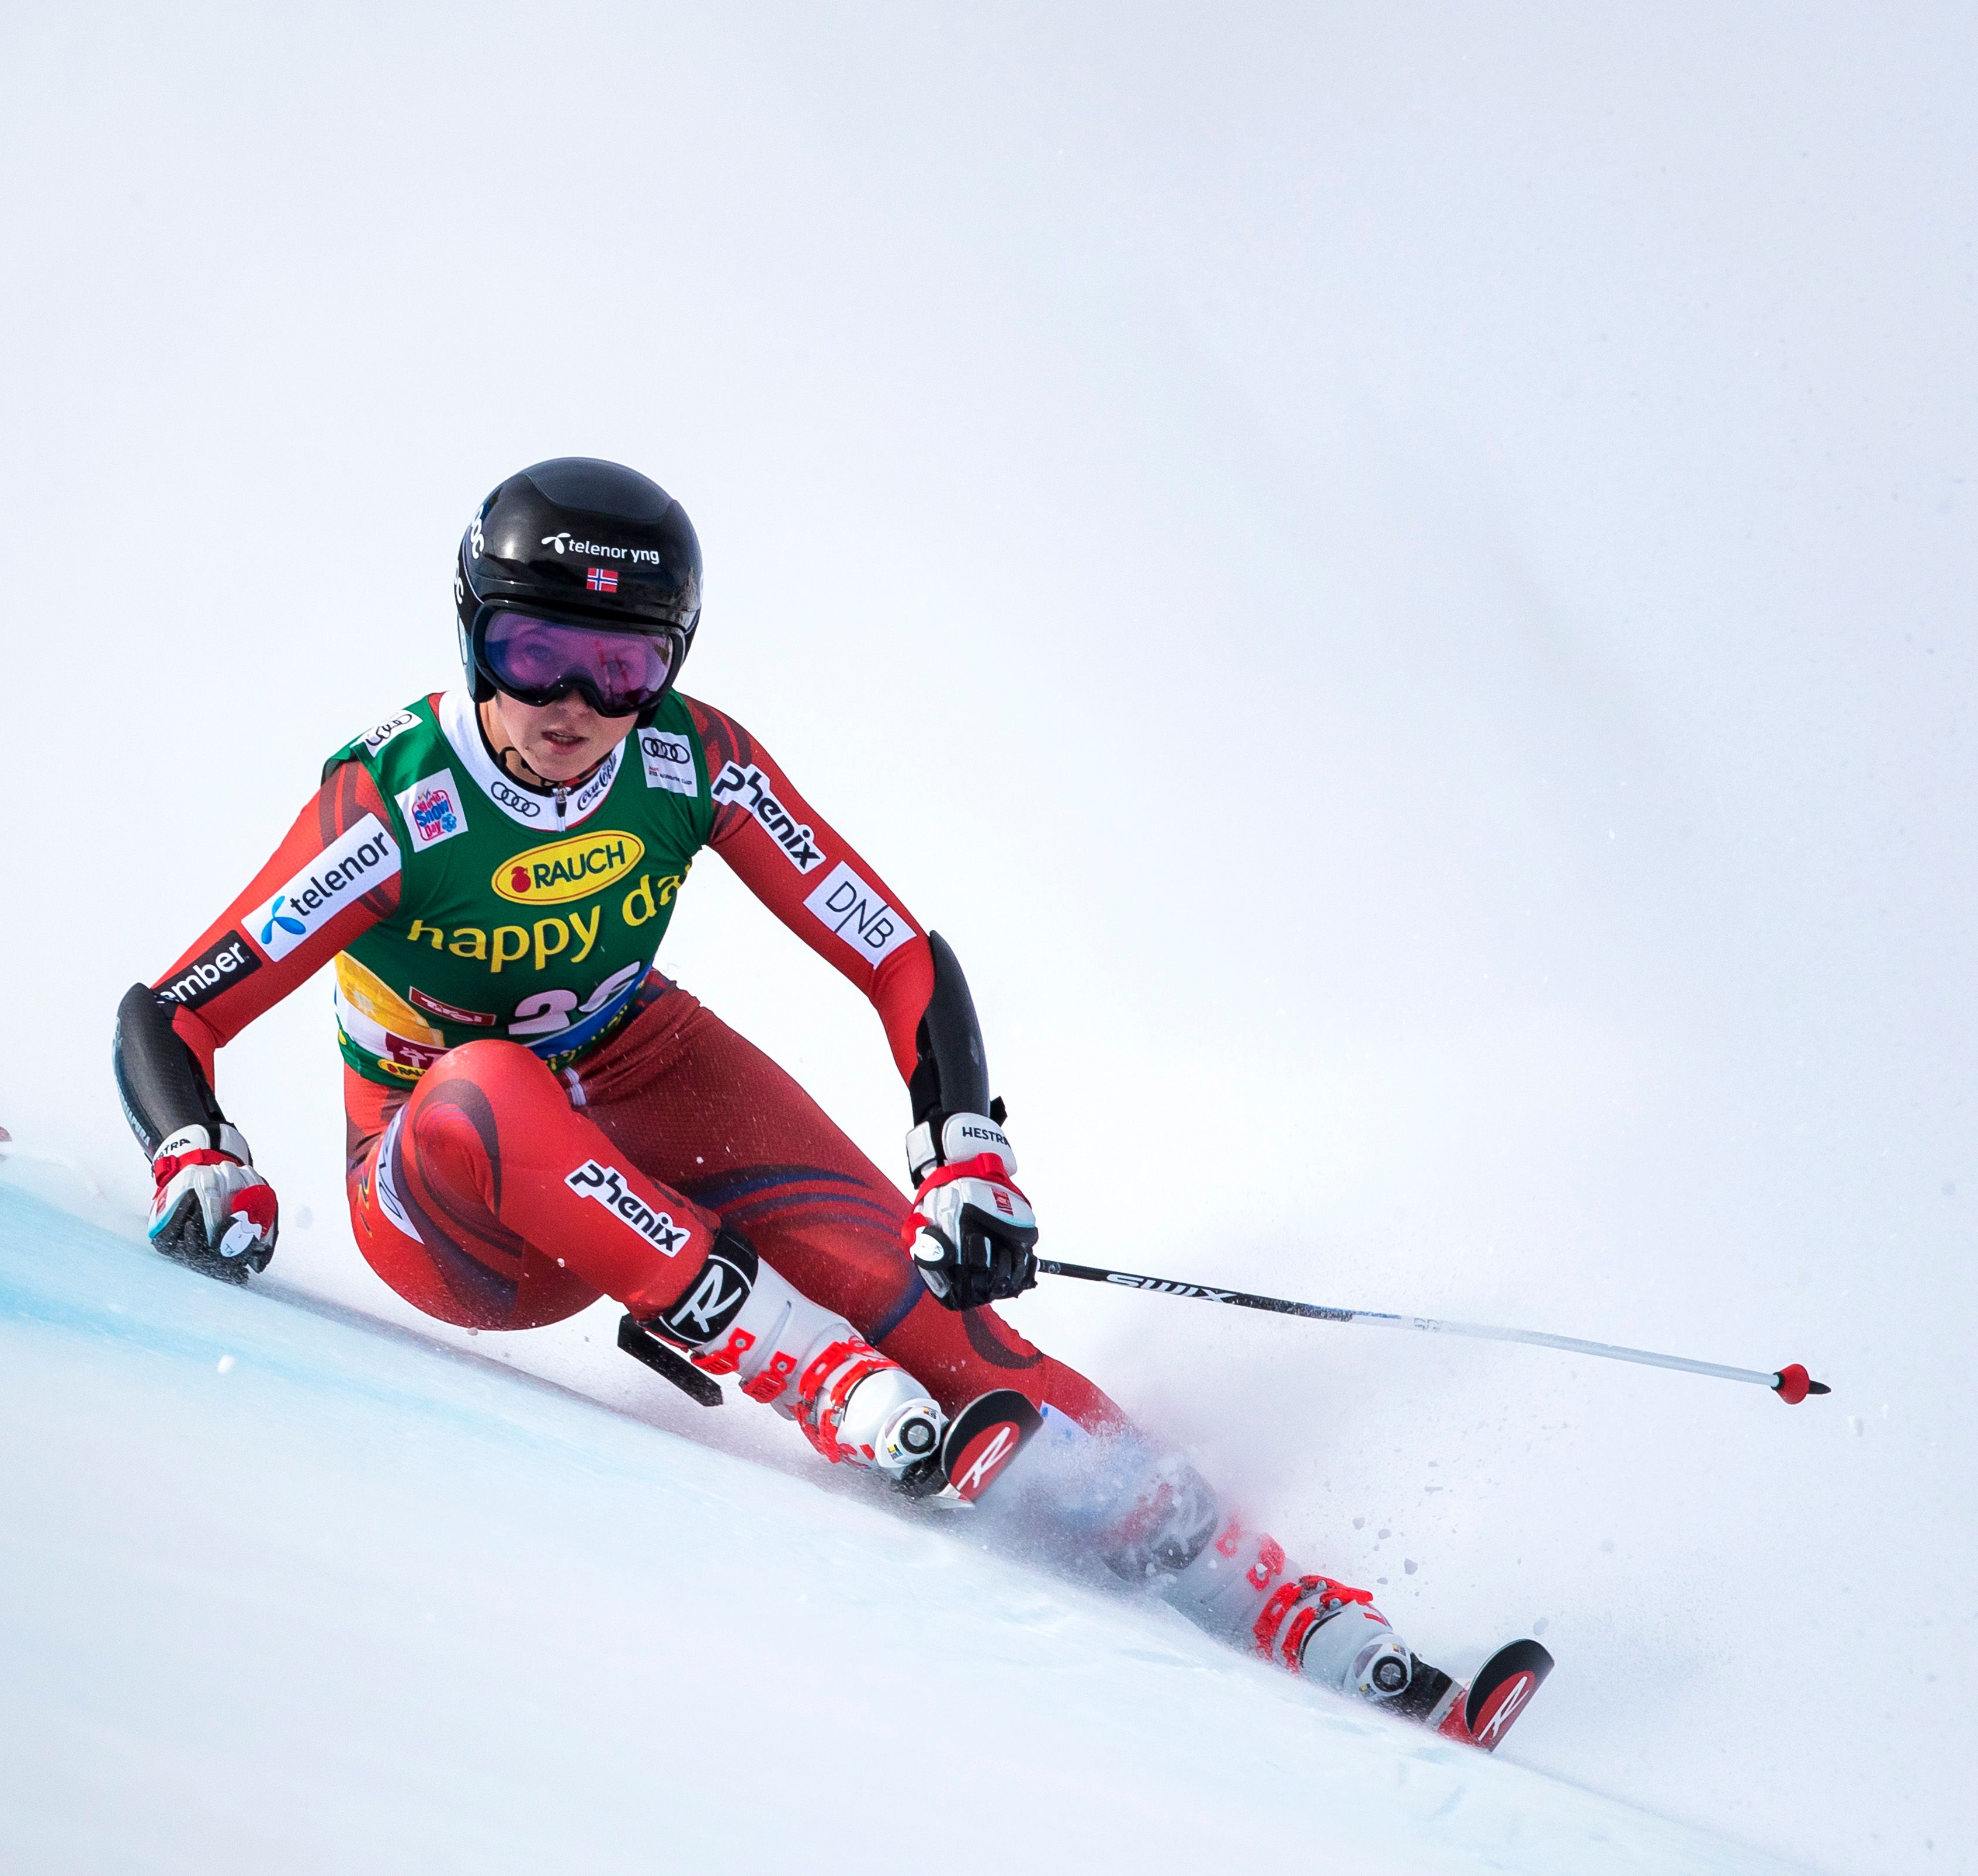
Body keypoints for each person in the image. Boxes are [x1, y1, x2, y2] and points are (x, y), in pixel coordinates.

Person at [112, 457, 1462, 1724]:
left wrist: (966, 1155)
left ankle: (1286, 1607)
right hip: (457, 1198)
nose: (572, 706)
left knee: (926, 1307)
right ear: (472, 638)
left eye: (623, 668)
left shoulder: (690, 760)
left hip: (630, 1073)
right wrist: (196, 1153)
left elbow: (897, 951)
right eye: (532, 654)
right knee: (487, 1081)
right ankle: (813, 1373)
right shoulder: (395, 805)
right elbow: (170, 1014)